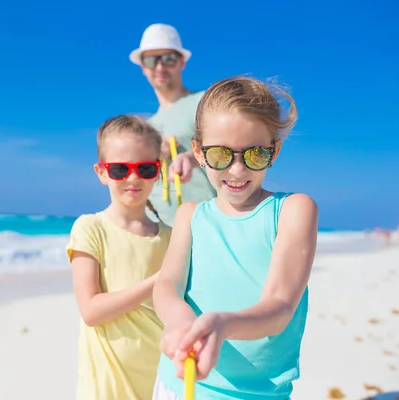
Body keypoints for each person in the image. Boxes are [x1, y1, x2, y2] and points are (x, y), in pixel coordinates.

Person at [151, 76, 319, 400]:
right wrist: (179, 319)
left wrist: (222, 325)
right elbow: (167, 284)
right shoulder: (190, 215)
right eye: (220, 155)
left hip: (254, 394)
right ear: (198, 152)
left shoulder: (292, 210)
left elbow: (280, 306)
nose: (238, 170)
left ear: (275, 149)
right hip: (177, 385)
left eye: (255, 154)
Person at [65, 115, 173, 399]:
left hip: (160, 380)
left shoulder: (172, 238)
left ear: (158, 171)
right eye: (119, 169)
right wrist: (157, 281)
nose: (133, 178)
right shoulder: (90, 228)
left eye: (146, 168)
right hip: (107, 387)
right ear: (101, 172)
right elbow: (91, 311)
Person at [129, 23, 216, 227]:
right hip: (158, 230)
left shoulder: (204, 102)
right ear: (143, 67)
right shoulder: (147, 127)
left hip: (205, 224)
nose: (160, 67)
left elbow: (232, 148)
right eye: (151, 60)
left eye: (168, 59)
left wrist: (192, 156)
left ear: (181, 62)